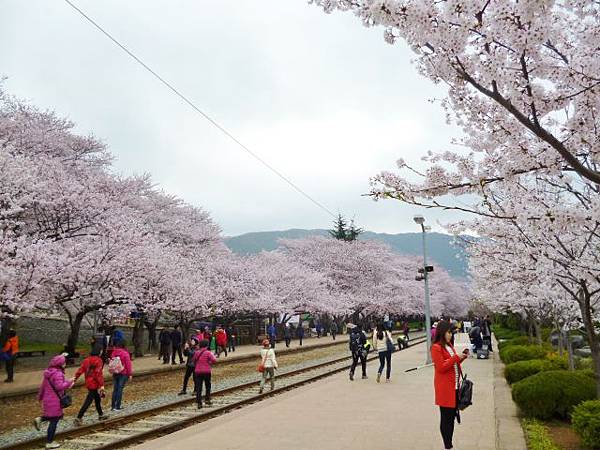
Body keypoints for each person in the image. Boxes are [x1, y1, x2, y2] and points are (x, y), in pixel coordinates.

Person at [431, 320, 469, 450]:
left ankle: (449, 444)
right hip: (445, 389)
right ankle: (448, 445)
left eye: (451, 333)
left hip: (455, 387)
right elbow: (441, 367)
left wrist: (462, 357)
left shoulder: (449, 346)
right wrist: (455, 357)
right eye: (448, 332)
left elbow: (452, 364)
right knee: (446, 419)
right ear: (442, 332)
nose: (450, 335)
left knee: (451, 417)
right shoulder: (436, 347)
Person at [33, 355, 74, 449]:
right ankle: (49, 442)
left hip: (47, 400)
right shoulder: (58, 374)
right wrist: (69, 382)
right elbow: (59, 387)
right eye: (64, 363)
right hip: (55, 401)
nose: (65, 364)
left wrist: (40, 397)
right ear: (60, 364)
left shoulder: (48, 373)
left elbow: (43, 386)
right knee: (54, 421)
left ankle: (40, 419)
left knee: (55, 416)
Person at [73, 348, 108, 426]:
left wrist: (74, 380)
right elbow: (98, 373)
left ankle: (101, 414)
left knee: (97, 399)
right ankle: (79, 417)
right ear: (99, 353)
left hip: (88, 382)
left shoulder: (86, 360)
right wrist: (101, 385)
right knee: (88, 401)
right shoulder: (99, 360)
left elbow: (80, 371)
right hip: (94, 383)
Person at [192, 339, 217, 409]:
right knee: (208, 386)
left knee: (199, 387)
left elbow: (193, 360)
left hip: (198, 372)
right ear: (207, 345)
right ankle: (207, 399)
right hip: (206, 372)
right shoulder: (208, 353)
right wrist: (209, 363)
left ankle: (199, 402)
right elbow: (214, 360)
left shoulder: (197, 352)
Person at [109, 341, 132, 411]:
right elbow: (128, 364)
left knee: (115, 389)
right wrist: (130, 374)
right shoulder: (125, 353)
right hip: (123, 373)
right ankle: (117, 406)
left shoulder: (113, 353)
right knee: (120, 389)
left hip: (115, 372)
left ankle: (113, 406)